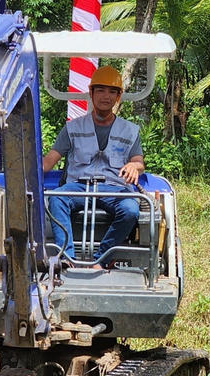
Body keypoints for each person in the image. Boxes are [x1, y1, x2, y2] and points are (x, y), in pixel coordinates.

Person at [43, 66, 143, 269]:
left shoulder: (130, 130)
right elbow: (47, 162)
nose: (106, 96)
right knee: (55, 197)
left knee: (131, 210)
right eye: (100, 90)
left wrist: (134, 166)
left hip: (113, 188)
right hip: (78, 187)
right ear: (91, 93)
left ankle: (100, 259)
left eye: (112, 91)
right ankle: (67, 258)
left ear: (118, 96)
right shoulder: (72, 128)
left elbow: (138, 161)